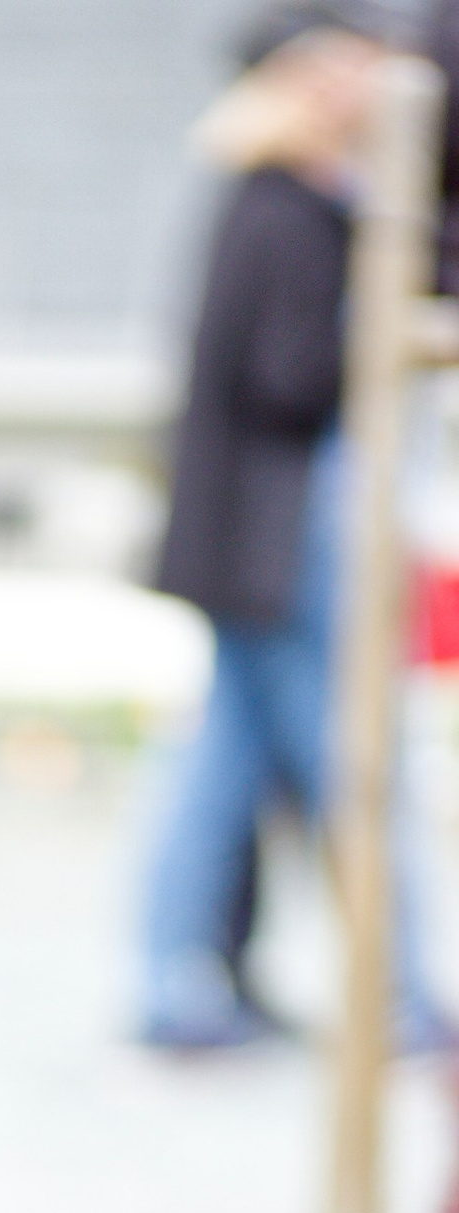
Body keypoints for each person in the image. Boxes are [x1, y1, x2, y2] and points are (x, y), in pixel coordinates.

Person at [142, 0, 448, 1053]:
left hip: (256, 530)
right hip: (277, 525)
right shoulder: (285, 204)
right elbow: (286, 375)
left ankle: (176, 982)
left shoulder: (274, 196)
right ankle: (396, 994)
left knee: (224, 766)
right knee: (342, 760)